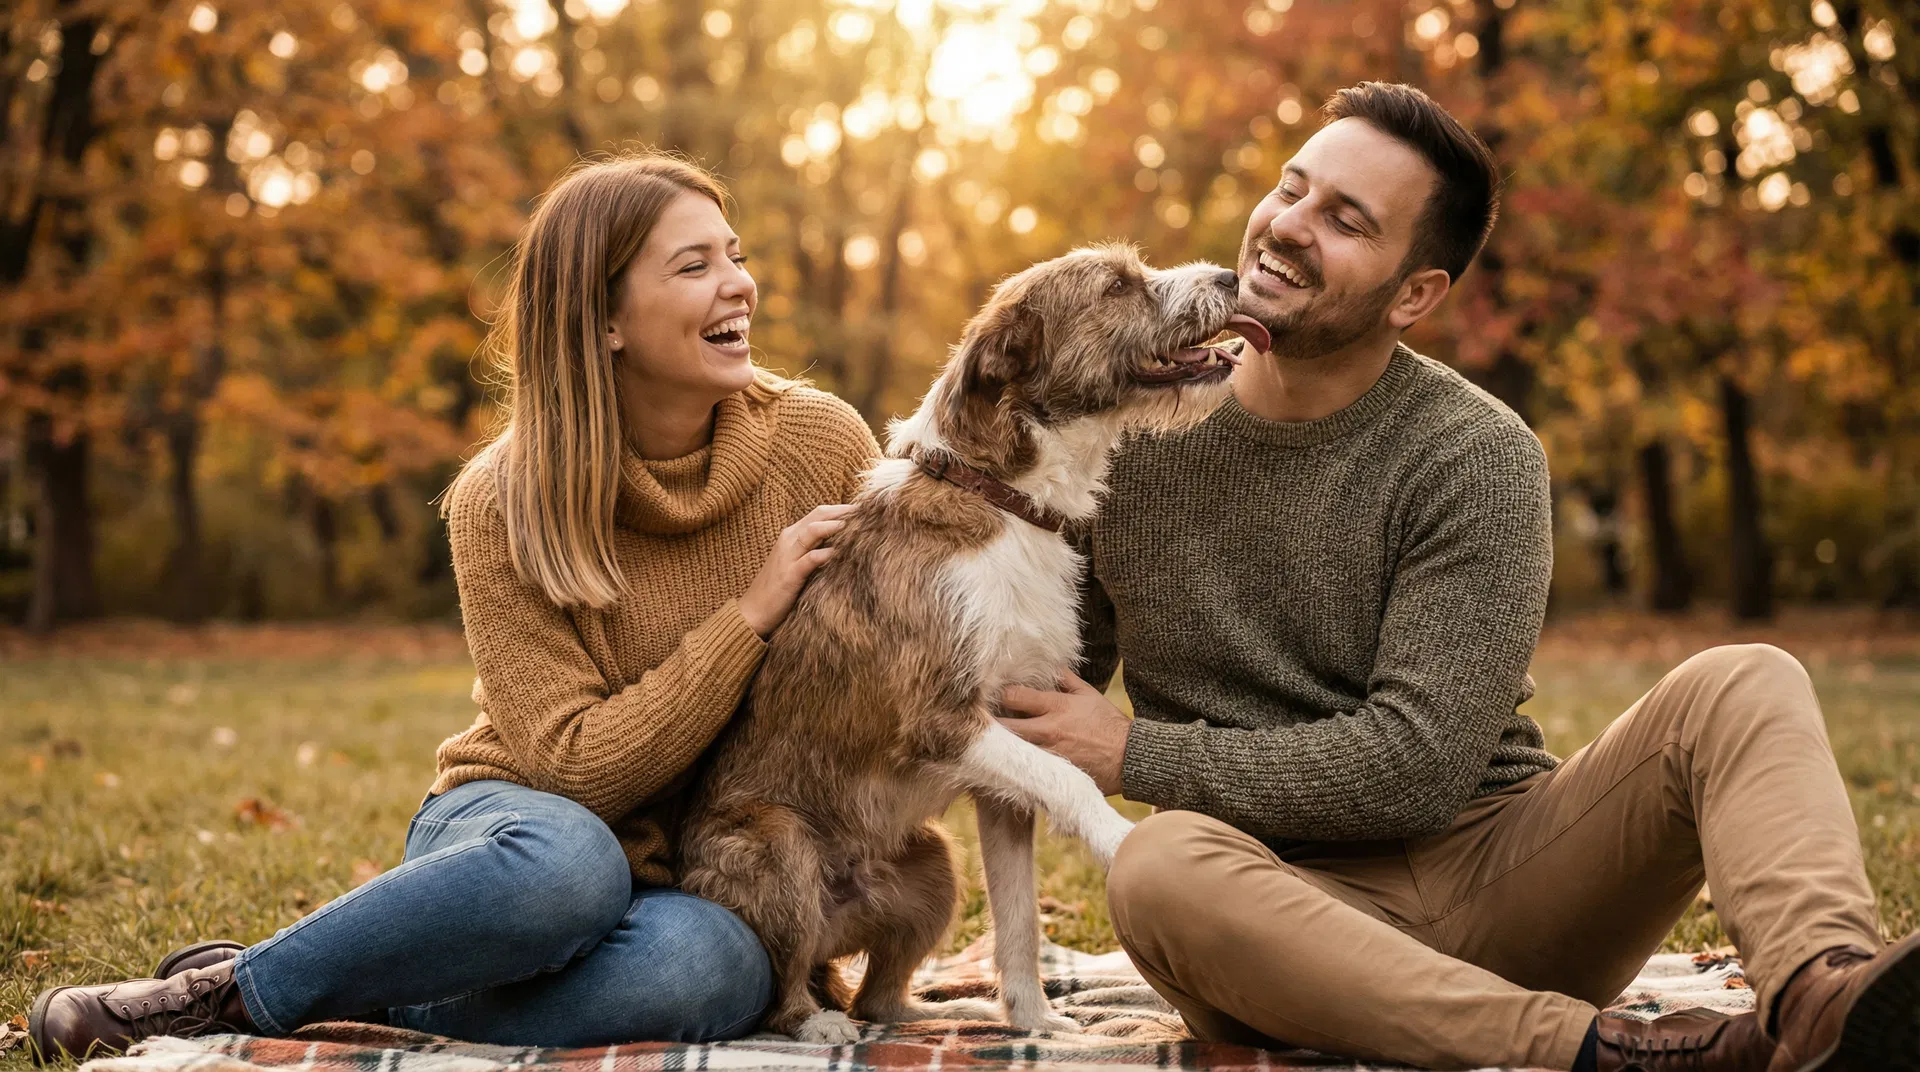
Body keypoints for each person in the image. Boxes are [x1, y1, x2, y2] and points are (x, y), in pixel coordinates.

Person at [995, 82, 1917, 1072]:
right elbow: (1018, 676)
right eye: (1292, 189)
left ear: (1415, 293)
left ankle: (1825, 1001)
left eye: (1346, 221)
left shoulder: (1476, 452)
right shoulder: (1128, 437)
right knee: (1160, 868)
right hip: (1278, 920)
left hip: (1510, 877)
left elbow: (1416, 764)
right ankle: (1612, 1055)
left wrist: (1139, 756)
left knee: (1746, 679)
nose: (1290, 226)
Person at [30, 153, 879, 1060]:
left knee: (716, 968)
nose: (739, 285)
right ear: (603, 322)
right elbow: (572, 769)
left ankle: (351, 985)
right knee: (575, 868)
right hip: (519, 829)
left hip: (710, 871)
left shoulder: (823, 444)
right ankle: (216, 997)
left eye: (734, 254)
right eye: (694, 265)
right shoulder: (505, 497)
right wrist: (748, 616)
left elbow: (912, 635)